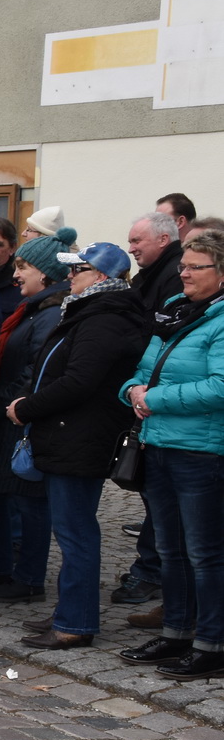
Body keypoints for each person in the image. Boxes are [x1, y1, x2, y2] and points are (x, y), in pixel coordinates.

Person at [1, 243, 147, 651]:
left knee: (76, 532)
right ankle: (70, 611)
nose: (70, 277)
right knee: (71, 531)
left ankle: (76, 622)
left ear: (101, 277)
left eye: (78, 270)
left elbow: (79, 381)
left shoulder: (105, 319)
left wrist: (28, 408)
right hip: (69, 435)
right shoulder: (92, 312)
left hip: (80, 438)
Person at [118, 229, 224, 680]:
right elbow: (142, 371)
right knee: (171, 549)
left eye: (194, 267)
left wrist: (154, 398)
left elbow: (220, 386)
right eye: (182, 266)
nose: (183, 273)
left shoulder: (219, 320)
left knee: (205, 553)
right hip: (158, 445)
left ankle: (212, 643)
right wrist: (133, 392)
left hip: (201, 453)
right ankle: (177, 633)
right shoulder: (177, 314)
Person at [0, 229, 71, 602]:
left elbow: (33, 374)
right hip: (5, 414)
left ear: (45, 273)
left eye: (23, 266)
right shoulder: (32, 309)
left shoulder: (48, 315)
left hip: (18, 417)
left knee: (27, 504)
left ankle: (29, 578)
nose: (16, 275)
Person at [127, 211, 185, 316]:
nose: (130, 250)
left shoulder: (179, 274)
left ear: (163, 240)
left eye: (136, 241)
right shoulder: (148, 276)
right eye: (130, 243)